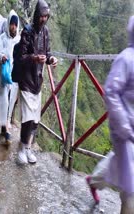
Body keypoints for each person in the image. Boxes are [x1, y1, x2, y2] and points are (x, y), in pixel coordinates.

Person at [86, 16, 134, 213]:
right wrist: (124, 128)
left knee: (118, 163)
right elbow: (111, 92)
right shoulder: (126, 58)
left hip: (130, 131)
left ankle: (94, 180)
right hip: (124, 130)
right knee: (131, 188)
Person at [16, 0, 57, 164]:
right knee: (26, 118)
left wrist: (51, 59)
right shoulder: (27, 31)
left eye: (46, 16)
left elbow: (47, 53)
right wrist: (34, 58)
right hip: (26, 81)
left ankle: (28, 148)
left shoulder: (46, 32)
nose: (44, 19)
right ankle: (21, 149)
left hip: (37, 81)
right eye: (41, 16)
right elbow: (21, 57)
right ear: (36, 15)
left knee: (35, 119)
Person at [0, 10, 20, 145]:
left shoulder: (19, 40)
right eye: (11, 24)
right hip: (1, 75)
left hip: (13, 77)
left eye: (15, 24)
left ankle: (5, 126)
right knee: (3, 101)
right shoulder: (1, 38)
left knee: (9, 102)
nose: (13, 27)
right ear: (8, 24)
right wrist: (1, 57)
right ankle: (5, 127)